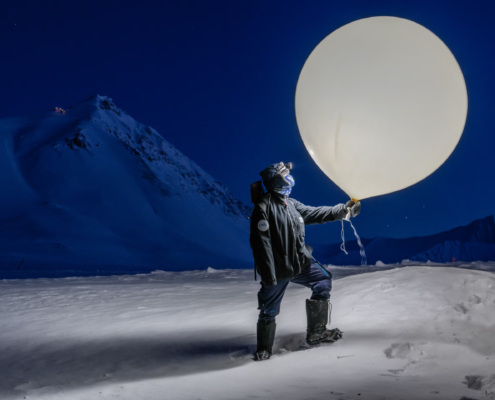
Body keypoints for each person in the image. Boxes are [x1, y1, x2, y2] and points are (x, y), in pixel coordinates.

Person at [249, 162, 361, 361]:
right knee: (269, 309)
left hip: (300, 263)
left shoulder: (291, 203)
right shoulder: (264, 207)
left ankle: (316, 332)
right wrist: (269, 275)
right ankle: (264, 349)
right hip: (277, 268)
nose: (289, 175)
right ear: (276, 179)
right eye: (285, 173)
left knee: (323, 280)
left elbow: (314, 213)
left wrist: (343, 211)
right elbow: (261, 245)